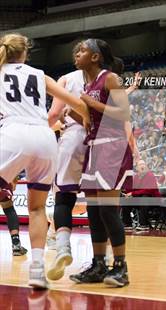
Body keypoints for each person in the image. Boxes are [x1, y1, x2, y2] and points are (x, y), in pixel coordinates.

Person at [0, 33, 89, 289]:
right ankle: (37, 270)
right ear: (26, 53)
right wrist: (89, 122)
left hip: (12, 134)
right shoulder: (40, 75)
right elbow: (78, 105)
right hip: (44, 137)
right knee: (37, 208)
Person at [69, 38, 132, 287]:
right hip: (94, 146)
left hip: (113, 146)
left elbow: (124, 113)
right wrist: (76, 113)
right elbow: (90, 118)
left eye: (83, 50)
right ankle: (98, 264)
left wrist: (92, 103)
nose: (77, 53)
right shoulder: (88, 83)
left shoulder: (110, 78)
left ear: (95, 57)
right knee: (94, 211)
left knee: (107, 208)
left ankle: (121, 267)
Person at [46, 42, 88, 281]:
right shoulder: (107, 78)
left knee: (63, 198)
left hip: (73, 138)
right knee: (98, 202)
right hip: (101, 141)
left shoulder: (65, 79)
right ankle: (102, 262)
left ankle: (62, 248)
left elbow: (53, 115)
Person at [0, 177, 27, 255]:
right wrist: (13, 181)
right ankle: (16, 244)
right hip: (3, 178)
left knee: (9, 210)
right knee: (9, 210)